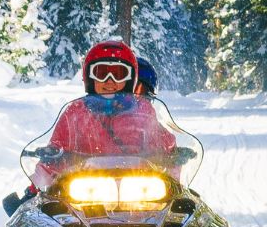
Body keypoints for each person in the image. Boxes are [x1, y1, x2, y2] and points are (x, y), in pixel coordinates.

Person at [31, 40, 176, 192]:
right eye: (101, 73)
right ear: (90, 77)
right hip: (83, 193)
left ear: (130, 78)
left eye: (119, 74)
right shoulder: (75, 113)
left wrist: (174, 156)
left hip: (138, 191)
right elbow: (55, 150)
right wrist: (37, 184)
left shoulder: (143, 110)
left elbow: (162, 141)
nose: (109, 81)